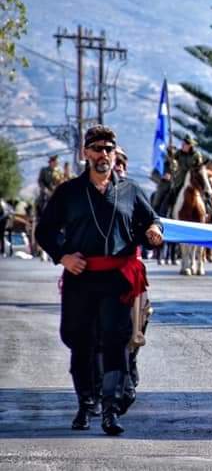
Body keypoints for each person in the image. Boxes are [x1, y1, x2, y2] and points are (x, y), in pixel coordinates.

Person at [35, 125, 164, 436]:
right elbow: (44, 231)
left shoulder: (131, 190)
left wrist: (154, 230)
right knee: (80, 339)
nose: (103, 154)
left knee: (115, 341)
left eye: (108, 149)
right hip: (80, 277)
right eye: (96, 149)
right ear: (85, 153)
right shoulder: (68, 192)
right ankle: (85, 403)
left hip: (117, 280)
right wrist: (63, 256)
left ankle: (110, 410)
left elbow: (152, 219)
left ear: (114, 153)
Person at [164, 136, 204, 217]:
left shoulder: (197, 155)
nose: (182, 145)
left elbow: (200, 167)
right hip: (180, 178)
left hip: (193, 178)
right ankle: (168, 212)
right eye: (182, 144)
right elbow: (171, 160)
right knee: (172, 194)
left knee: (205, 193)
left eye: (184, 144)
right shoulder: (179, 153)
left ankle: (210, 212)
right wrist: (169, 151)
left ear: (190, 145)